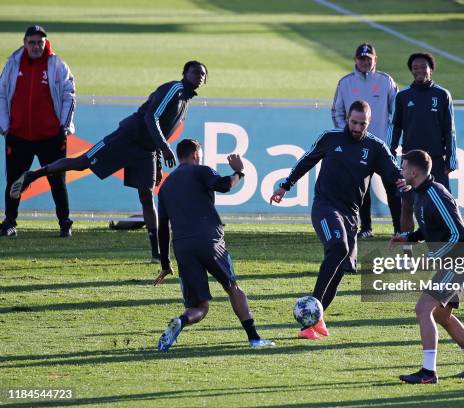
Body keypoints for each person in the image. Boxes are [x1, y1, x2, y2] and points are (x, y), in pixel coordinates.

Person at [10, 60, 206, 261]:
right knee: (81, 163)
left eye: (202, 74)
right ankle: (32, 176)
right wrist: (164, 147)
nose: (199, 76)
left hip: (146, 150)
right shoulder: (174, 89)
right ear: (184, 73)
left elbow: (160, 128)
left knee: (147, 197)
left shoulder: (185, 101)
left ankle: (156, 253)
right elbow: (150, 117)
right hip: (127, 138)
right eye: (195, 72)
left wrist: (156, 153)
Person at [270, 100, 406, 340]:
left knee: (342, 267)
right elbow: (306, 160)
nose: (356, 127)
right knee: (338, 248)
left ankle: (317, 319)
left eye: (362, 123)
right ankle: (308, 319)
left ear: (368, 123)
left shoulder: (375, 147)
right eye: (353, 122)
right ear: (347, 119)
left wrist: (404, 181)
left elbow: (393, 174)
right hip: (325, 207)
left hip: (351, 215)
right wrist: (285, 186)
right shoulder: (331, 138)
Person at [153, 139, 275, 350]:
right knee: (232, 287)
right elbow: (225, 185)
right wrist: (239, 172)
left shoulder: (165, 187)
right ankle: (254, 338)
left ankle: (181, 321)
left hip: (182, 247)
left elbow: (162, 228)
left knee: (199, 307)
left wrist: (165, 262)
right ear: (195, 155)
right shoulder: (201, 171)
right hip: (210, 242)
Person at [390, 150, 464, 384]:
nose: (401, 171)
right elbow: (429, 228)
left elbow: (458, 234)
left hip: (459, 261)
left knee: (423, 309)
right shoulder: (420, 194)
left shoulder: (435, 194)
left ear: (414, 172)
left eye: (403, 167)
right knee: (442, 315)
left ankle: (428, 373)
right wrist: (409, 238)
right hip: (452, 261)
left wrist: (433, 257)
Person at [0, 25, 76, 237]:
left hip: (50, 136)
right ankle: (10, 222)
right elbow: (2, 94)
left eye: (39, 42)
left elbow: (69, 95)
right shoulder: (14, 63)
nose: (35, 46)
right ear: (24, 42)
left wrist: (64, 126)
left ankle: (64, 222)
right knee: (14, 182)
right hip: (19, 135)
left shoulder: (57, 64)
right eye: (31, 42)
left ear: (46, 43)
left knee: (57, 182)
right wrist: (5, 126)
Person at [332, 43, 401, 239]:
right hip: (356, 145)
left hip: (382, 146)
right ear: (355, 60)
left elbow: (396, 114)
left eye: (368, 58)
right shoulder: (345, 83)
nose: (364, 62)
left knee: (393, 187)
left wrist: (390, 141)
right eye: (361, 59)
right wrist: (346, 135)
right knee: (361, 189)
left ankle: (399, 229)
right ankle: (366, 228)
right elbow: (337, 111)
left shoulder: (386, 81)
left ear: (375, 60)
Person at [389, 52, 458, 240]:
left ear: (431, 69)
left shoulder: (442, 95)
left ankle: (449, 244)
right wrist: (390, 152)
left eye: (423, 66)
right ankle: (407, 250)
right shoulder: (403, 96)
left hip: (435, 161)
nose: (419, 70)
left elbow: (449, 130)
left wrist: (450, 159)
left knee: (444, 204)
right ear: (411, 70)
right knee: (407, 205)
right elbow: (395, 126)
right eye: (415, 67)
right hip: (410, 163)